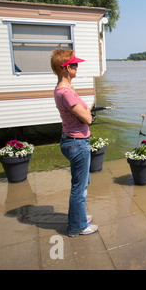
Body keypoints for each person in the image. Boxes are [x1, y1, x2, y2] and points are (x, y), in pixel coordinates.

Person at [51, 48, 98, 237]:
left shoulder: (63, 89)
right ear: (65, 68)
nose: (77, 67)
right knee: (79, 188)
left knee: (82, 182)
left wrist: (86, 112)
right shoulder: (66, 92)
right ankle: (77, 227)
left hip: (72, 141)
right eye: (74, 65)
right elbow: (87, 119)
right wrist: (89, 114)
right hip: (77, 143)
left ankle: (78, 217)